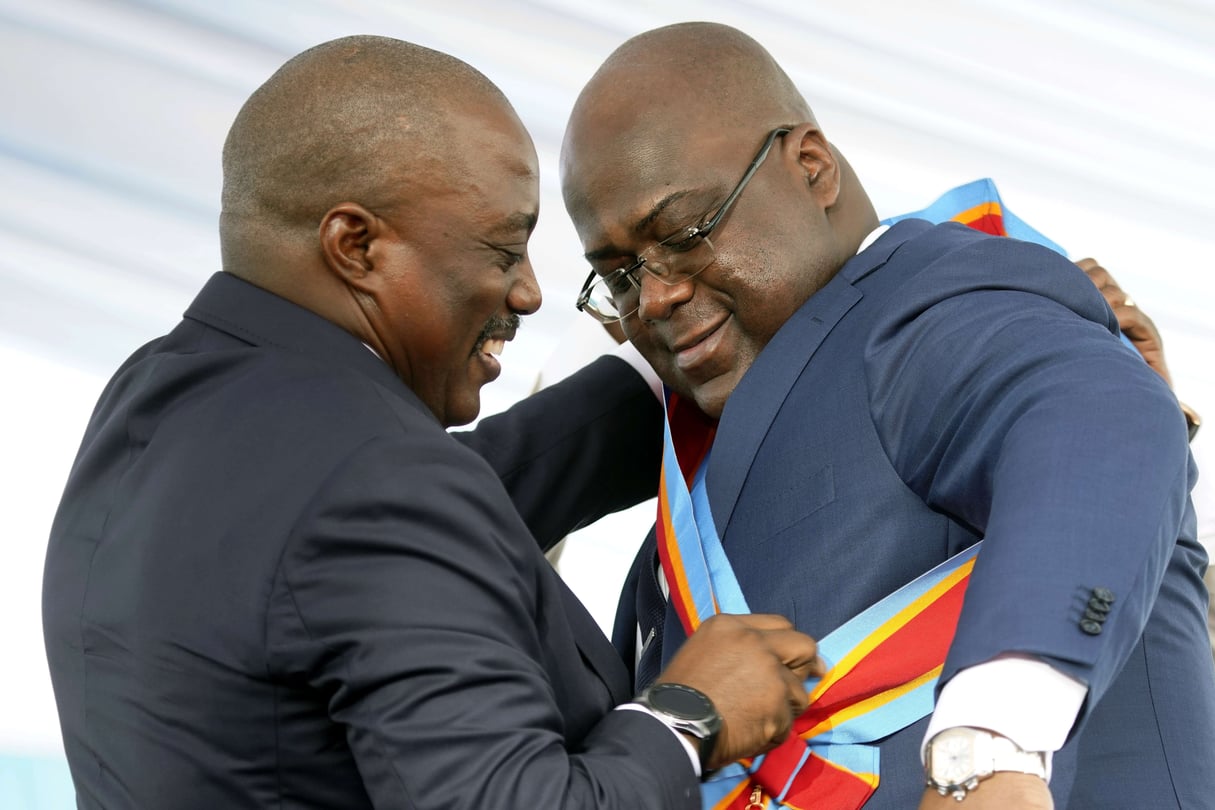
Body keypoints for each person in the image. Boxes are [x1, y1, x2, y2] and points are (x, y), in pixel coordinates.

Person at [40, 35, 828, 810]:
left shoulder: (162, 391)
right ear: (356, 246)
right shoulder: (374, 482)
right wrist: (685, 715)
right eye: (501, 251)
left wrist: (670, 362)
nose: (526, 294)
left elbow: (414, 514)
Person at [559, 22, 1214, 810]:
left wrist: (991, 744)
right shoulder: (666, 543)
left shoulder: (918, 306)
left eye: (683, 233)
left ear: (812, 166)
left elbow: (1108, 423)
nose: (655, 295)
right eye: (621, 276)